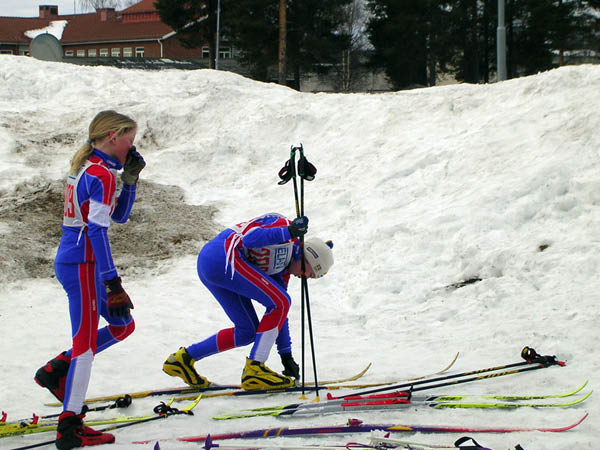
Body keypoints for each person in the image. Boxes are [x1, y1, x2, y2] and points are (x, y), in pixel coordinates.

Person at [34, 110, 146, 450]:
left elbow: (119, 217)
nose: (132, 145)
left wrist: (130, 180)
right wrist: (112, 281)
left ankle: (57, 369)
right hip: (83, 264)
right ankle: (70, 426)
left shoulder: (93, 168)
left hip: (80, 261)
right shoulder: (99, 173)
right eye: (129, 139)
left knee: (122, 325)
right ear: (113, 136)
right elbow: (98, 230)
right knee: (84, 346)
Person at [163, 212, 333, 391]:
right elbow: (250, 239)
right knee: (281, 301)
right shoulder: (284, 229)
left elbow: (279, 315)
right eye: (308, 273)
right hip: (223, 257)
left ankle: (183, 359)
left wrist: (286, 355)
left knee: (248, 332)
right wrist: (289, 231)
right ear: (306, 257)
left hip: (215, 265)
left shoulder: (284, 268)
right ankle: (255, 368)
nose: (303, 277)